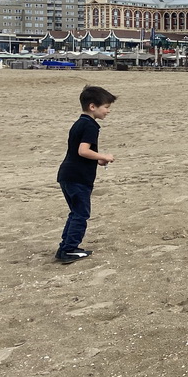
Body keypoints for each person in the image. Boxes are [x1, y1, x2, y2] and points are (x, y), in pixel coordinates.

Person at [55, 86, 117, 264]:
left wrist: (97, 160)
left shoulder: (79, 123)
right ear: (92, 107)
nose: (108, 111)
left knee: (75, 212)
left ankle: (64, 247)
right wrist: (103, 156)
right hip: (77, 178)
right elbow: (83, 151)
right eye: (105, 107)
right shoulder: (91, 126)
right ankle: (69, 249)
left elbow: (78, 152)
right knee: (81, 213)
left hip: (68, 174)